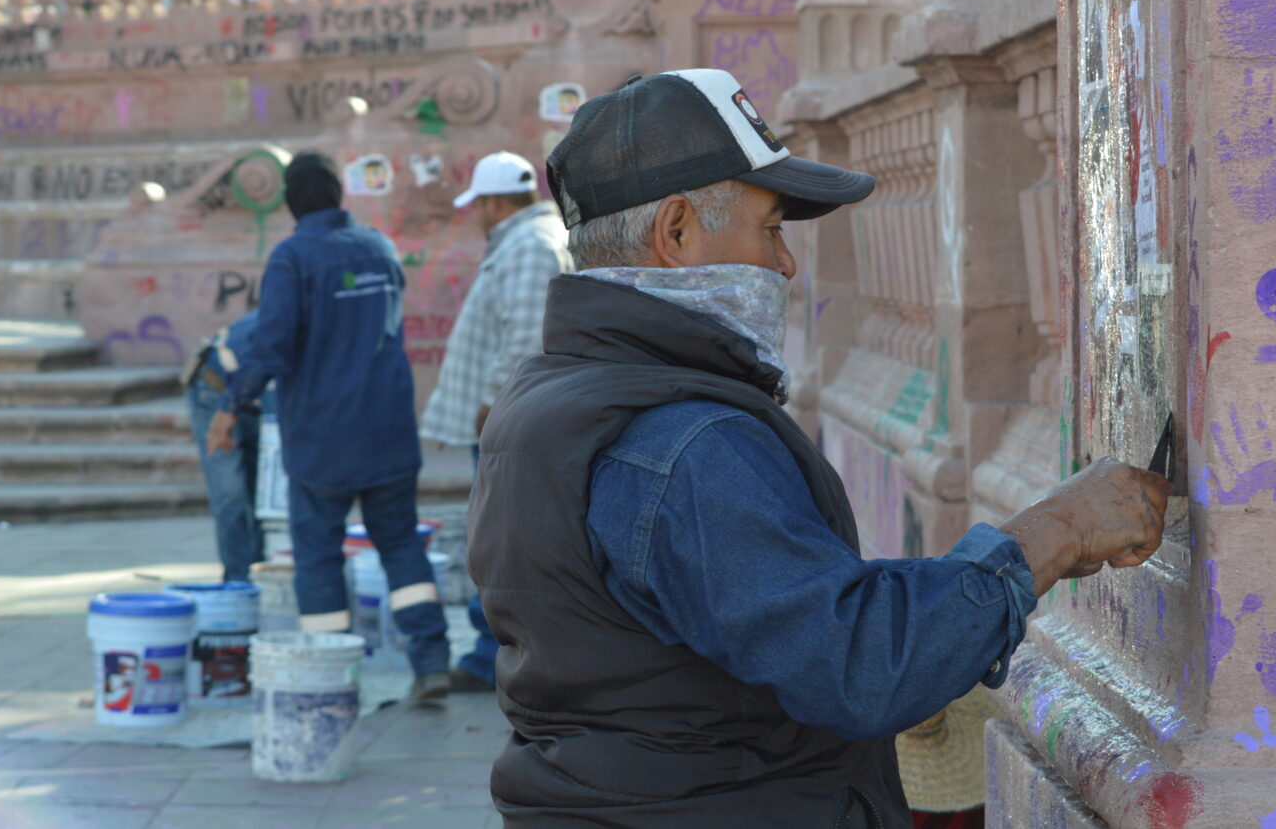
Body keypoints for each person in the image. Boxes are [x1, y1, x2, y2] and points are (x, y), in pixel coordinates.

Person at [468, 69, 1173, 825]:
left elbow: (765, 614)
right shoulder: (684, 442)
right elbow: (862, 665)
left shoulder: (551, 399)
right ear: (676, 232)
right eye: (770, 228)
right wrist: (1057, 530)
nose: (786, 263)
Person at [207, 151, 452, 702]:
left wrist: (228, 408)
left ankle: (334, 677)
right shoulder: (379, 247)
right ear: (339, 195)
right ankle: (432, 661)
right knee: (400, 547)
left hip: (324, 439)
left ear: (291, 202)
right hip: (389, 430)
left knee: (317, 554)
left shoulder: (292, 257)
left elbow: (270, 347)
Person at [420, 150, 573, 692]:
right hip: (512, 419)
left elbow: (527, 336)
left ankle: (494, 656)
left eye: (478, 205)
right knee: (508, 539)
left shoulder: (530, 245)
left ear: (492, 201)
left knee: (502, 544)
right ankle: (502, 651)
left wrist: (493, 404)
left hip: (507, 422)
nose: (477, 215)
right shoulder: (528, 240)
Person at [181, 311, 265, 583]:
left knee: (266, 491)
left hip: (257, 397)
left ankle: (264, 574)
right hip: (215, 388)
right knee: (231, 492)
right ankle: (238, 583)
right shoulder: (288, 322)